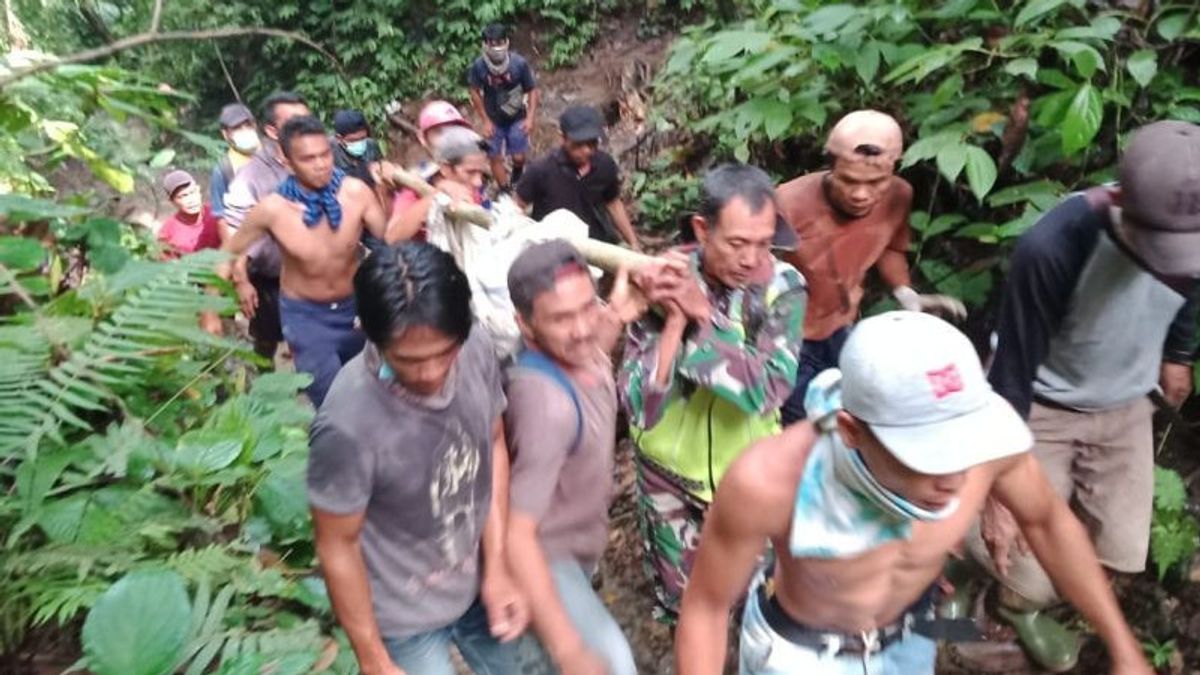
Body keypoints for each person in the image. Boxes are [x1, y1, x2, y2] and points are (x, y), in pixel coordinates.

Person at [675, 311, 1152, 675]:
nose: (956, 478)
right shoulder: (770, 482)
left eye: (960, 446)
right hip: (803, 653)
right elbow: (707, 607)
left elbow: (1047, 520)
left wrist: (1123, 646)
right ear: (851, 430)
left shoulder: (984, 451)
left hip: (912, 638)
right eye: (927, 455)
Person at [963, 119, 1200, 672]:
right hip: (1041, 404)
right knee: (1021, 559)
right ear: (1121, 199)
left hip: (1124, 403)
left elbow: (1190, 286)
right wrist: (998, 497)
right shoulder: (1054, 246)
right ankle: (990, 602)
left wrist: (1178, 356)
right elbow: (1012, 373)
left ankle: (1044, 605)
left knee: (1119, 549)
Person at [309, 242, 529, 675]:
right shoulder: (346, 424)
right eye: (408, 360)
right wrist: (372, 658)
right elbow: (337, 543)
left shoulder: (476, 349)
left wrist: (499, 565)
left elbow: (494, 445)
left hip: (476, 574)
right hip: (402, 614)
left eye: (443, 354)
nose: (430, 373)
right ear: (370, 335)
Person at [618, 162, 806, 622]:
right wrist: (669, 321)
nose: (751, 259)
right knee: (683, 602)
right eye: (737, 243)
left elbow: (766, 390)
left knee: (750, 596)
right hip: (667, 476)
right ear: (702, 229)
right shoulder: (665, 277)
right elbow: (640, 404)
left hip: (744, 477)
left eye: (764, 243)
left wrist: (704, 319)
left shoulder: (783, 289)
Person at [503, 241, 644, 675]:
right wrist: (569, 650)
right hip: (548, 554)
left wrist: (617, 314)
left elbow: (592, 350)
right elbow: (518, 534)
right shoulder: (547, 405)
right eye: (562, 318)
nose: (583, 328)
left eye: (589, 306)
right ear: (525, 325)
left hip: (579, 544)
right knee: (614, 664)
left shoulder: (576, 354)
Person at [775, 109, 964, 425]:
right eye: (848, 180)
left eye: (876, 182)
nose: (861, 194)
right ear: (831, 167)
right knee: (803, 425)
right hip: (790, 336)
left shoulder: (898, 196)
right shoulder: (789, 202)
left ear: (893, 169)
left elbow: (890, 248)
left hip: (844, 327)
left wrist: (905, 293)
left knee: (856, 416)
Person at [222, 115, 388, 407]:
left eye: (324, 154)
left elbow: (389, 236)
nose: (321, 164)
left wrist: (387, 191)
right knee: (331, 402)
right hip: (306, 317)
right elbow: (228, 252)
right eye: (309, 158)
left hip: (356, 309)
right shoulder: (273, 210)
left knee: (374, 393)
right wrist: (237, 283)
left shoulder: (355, 193)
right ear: (286, 161)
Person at [208, 91, 312, 360]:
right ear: (272, 130)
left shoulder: (321, 160)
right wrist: (240, 279)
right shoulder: (248, 175)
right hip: (269, 276)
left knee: (307, 341)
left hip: (313, 275)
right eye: (294, 122)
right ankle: (265, 384)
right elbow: (231, 233)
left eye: (307, 120)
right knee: (266, 338)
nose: (305, 129)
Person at [515, 106, 641, 250]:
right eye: (578, 144)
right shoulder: (541, 170)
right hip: (554, 247)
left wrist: (633, 242)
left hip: (596, 243)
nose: (587, 150)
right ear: (562, 138)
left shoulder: (604, 165)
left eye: (592, 143)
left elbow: (613, 203)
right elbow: (517, 207)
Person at [385, 126, 490, 243]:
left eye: (481, 172)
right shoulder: (414, 191)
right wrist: (436, 197)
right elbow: (392, 237)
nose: (478, 182)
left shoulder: (471, 191)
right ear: (446, 169)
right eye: (470, 172)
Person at [388, 100, 477, 235]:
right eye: (439, 132)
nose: (448, 139)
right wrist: (436, 197)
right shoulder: (418, 179)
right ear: (423, 138)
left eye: (454, 131)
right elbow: (392, 236)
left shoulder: (472, 172)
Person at [467, 22, 539, 190]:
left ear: (506, 42)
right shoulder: (479, 67)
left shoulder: (519, 64)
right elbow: (474, 92)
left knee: (519, 157)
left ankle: (518, 171)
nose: (496, 47)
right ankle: (504, 189)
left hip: (516, 117)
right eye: (492, 44)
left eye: (499, 43)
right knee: (494, 156)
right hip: (493, 120)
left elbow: (532, 90)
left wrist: (530, 118)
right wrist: (485, 120)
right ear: (485, 45)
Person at [209, 102, 260, 229]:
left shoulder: (274, 153)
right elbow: (221, 217)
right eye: (237, 127)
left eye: (248, 125)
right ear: (226, 134)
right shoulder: (223, 169)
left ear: (255, 125)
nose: (245, 130)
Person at [157, 170, 223, 258]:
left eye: (192, 192)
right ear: (172, 201)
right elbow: (167, 267)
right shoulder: (168, 232)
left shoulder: (219, 214)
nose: (191, 200)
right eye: (183, 196)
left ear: (198, 190)